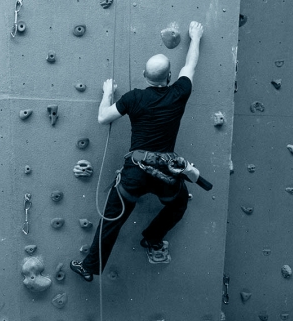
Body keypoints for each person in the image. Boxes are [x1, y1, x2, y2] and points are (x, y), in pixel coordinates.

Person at [70, 21, 204, 282]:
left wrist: (108, 93)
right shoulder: (179, 92)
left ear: (144, 75)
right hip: (167, 172)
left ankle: (89, 267)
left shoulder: (134, 98)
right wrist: (195, 37)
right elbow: (190, 66)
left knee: (112, 220)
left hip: (135, 173)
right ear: (168, 78)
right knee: (178, 203)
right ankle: (153, 238)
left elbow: (103, 118)